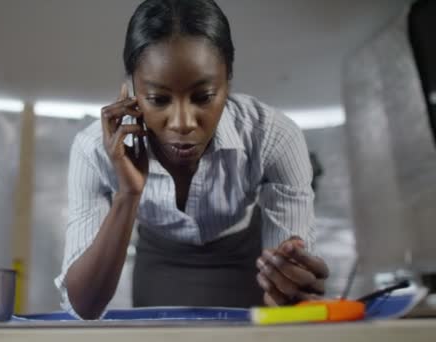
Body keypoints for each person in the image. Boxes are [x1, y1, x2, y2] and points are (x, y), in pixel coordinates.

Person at [55, 0, 329, 320]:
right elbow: (84, 307)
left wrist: (294, 283)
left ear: (228, 82)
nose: (182, 122)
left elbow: (292, 303)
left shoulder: (273, 136)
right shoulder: (93, 149)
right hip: (160, 265)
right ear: (132, 88)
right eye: (158, 99)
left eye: (203, 97)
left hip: (245, 261)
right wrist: (128, 194)